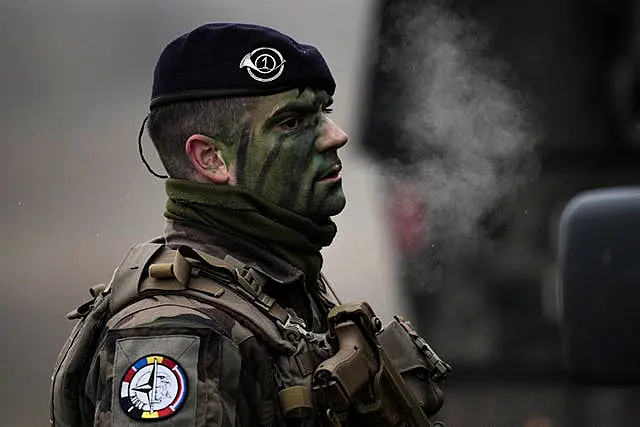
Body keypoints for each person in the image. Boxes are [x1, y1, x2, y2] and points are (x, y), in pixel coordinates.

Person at [51, 22, 447, 427]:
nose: (336, 135)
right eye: (292, 122)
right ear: (211, 159)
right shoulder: (178, 333)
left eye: (323, 112)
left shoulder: (279, 286)